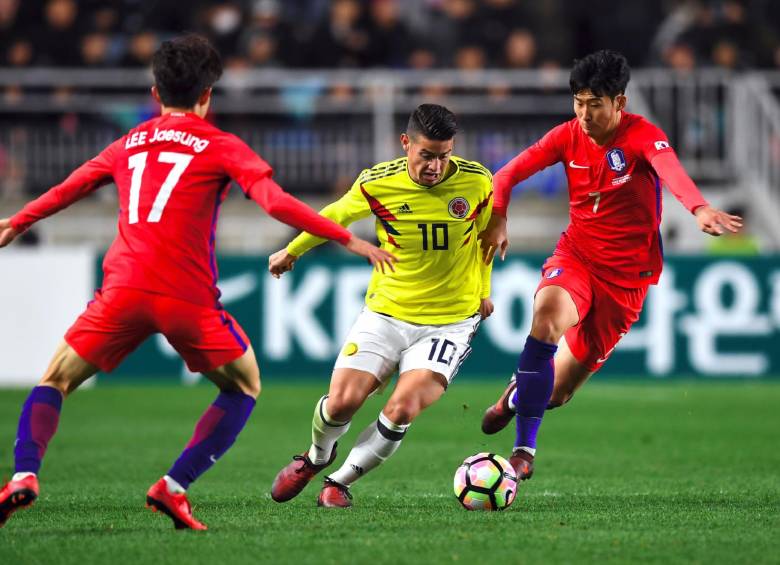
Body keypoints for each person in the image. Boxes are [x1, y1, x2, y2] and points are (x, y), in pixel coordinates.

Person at [0, 34, 395, 531]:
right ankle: (174, 485)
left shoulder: (128, 143)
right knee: (244, 385)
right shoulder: (220, 145)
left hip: (122, 289)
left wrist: (17, 222)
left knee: (55, 380)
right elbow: (274, 202)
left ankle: (23, 474)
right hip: (185, 296)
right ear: (207, 94)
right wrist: (346, 238)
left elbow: (70, 187)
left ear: (155, 93)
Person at [478, 50, 742, 481]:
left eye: (594, 104)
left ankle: (513, 399)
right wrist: (499, 217)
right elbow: (504, 175)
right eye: (578, 102)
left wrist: (698, 208)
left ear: (619, 102)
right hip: (577, 258)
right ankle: (524, 451)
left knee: (557, 393)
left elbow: (670, 170)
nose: (584, 114)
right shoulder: (566, 136)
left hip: (625, 282)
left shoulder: (642, 135)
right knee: (546, 319)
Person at [268, 104, 494, 508]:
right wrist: (293, 250)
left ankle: (338, 483)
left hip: (450, 322)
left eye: (444, 156)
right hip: (386, 312)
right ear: (405, 143)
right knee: (342, 402)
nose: (435, 167)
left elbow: (487, 236)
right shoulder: (378, 182)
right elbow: (334, 216)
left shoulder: (477, 182)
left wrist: (483, 291)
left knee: (402, 408)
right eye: (426, 155)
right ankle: (317, 456)